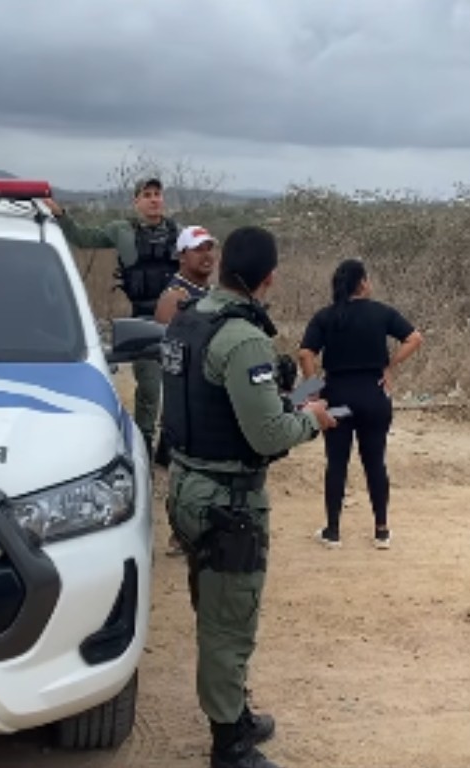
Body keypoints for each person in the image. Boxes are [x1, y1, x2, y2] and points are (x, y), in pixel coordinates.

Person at [160, 225, 337, 768]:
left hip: (187, 486)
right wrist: (312, 419)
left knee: (215, 609)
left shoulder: (189, 317)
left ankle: (234, 713)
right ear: (269, 278)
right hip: (226, 501)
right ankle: (229, 745)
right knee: (228, 623)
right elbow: (267, 434)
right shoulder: (243, 339)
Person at [44, 178, 179, 457]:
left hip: (177, 319)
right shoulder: (122, 231)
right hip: (143, 318)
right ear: (136, 201)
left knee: (177, 383)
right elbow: (84, 238)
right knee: (149, 387)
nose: (154, 199)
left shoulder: (178, 232)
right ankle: (143, 442)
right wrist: (60, 215)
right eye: (147, 195)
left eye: (158, 194)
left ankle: (170, 444)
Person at [298, 258, 423, 550]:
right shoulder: (382, 312)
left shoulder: (326, 316)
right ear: (363, 283)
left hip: (338, 400)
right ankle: (381, 531)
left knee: (336, 463)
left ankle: (333, 531)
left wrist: (313, 392)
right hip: (373, 397)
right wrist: (389, 367)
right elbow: (415, 338)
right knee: (375, 461)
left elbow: (305, 354)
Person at [154, 224, 219, 557]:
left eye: (209, 248)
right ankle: (180, 535)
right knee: (183, 469)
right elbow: (168, 353)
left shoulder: (212, 294)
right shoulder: (175, 297)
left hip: (209, 394)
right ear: (182, 256)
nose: (206, 255)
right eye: (198, 249)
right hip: (184, 399)